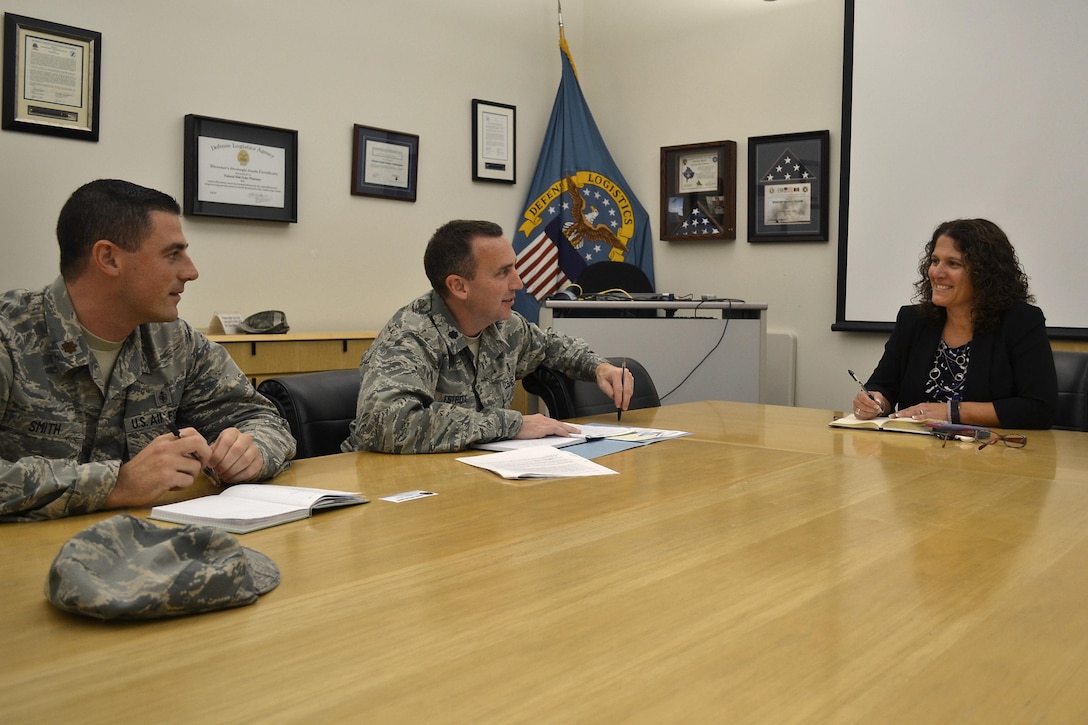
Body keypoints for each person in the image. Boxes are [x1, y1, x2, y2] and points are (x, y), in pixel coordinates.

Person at [0, 179, 296, 521]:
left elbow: (262, 420)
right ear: (109, 258)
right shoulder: (11, 337)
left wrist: (252, 450)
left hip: (144, 553)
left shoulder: (174, 342)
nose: (191, 271)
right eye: (172, 254)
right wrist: (118, 484)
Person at [342, 219, 632, 453]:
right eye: (503, 273)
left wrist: (599, 367)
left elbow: (552, 347)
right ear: (459, 286)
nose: (518, 283)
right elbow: (386, 425)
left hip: (469, 476)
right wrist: (511, 425)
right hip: (389, 487)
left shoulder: (503, 326)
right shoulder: (411, 338)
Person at [852, 218, 1056, 429]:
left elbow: (1039, 408)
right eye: (934, 261)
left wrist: (952, 412)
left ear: (985, 274)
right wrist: (874, 402)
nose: (937, 273)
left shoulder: (1021, 322)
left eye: (953, 263)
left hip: (989, 455)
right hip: (913, 452)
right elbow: (883, 385)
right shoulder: (913, 320)